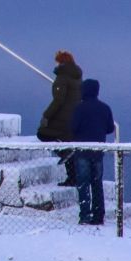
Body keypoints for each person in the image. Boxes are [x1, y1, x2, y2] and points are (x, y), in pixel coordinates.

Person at [71, 78, 115, 226]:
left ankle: (85, 215)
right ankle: (98, 215)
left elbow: (73, 128)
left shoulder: (79, 108)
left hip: (82, 151)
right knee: (97, 184)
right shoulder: (105, 108)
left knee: (83, 184)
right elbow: (110, 128)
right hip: (98, 151)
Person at [36, 50, 82, 185]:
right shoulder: (77, 77)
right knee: (68, 142)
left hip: (63, 117)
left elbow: (58, 100)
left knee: (42, 134)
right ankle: (72, 178)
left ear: (60, 62)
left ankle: (64, 153)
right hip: (74, 117)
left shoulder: (62, 77)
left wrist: (46, 115)